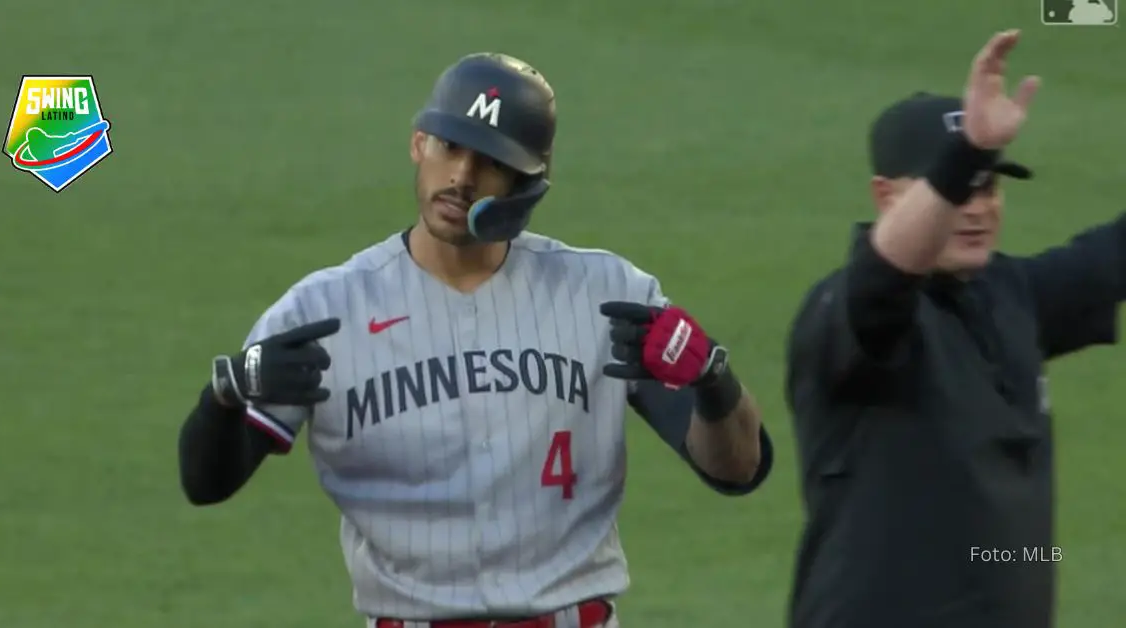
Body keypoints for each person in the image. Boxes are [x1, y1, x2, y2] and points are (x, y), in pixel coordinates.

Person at [177, 52, 774, 628]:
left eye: (488, 160)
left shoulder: (604, 294)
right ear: (418, 144)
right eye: (449, 147)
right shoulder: (324, 310)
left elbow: (739, 469)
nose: (461, 176)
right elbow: (206, 484)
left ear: (527, 181)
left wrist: (712, 381)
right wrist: (227, 394)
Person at [784, 29, 1123, 628]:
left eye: (988, 185)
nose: (978, 206)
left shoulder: (1010, 294)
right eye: (954, 189)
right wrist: (965, 153)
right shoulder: (849, 315)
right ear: (886, 197)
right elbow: (884, 275)